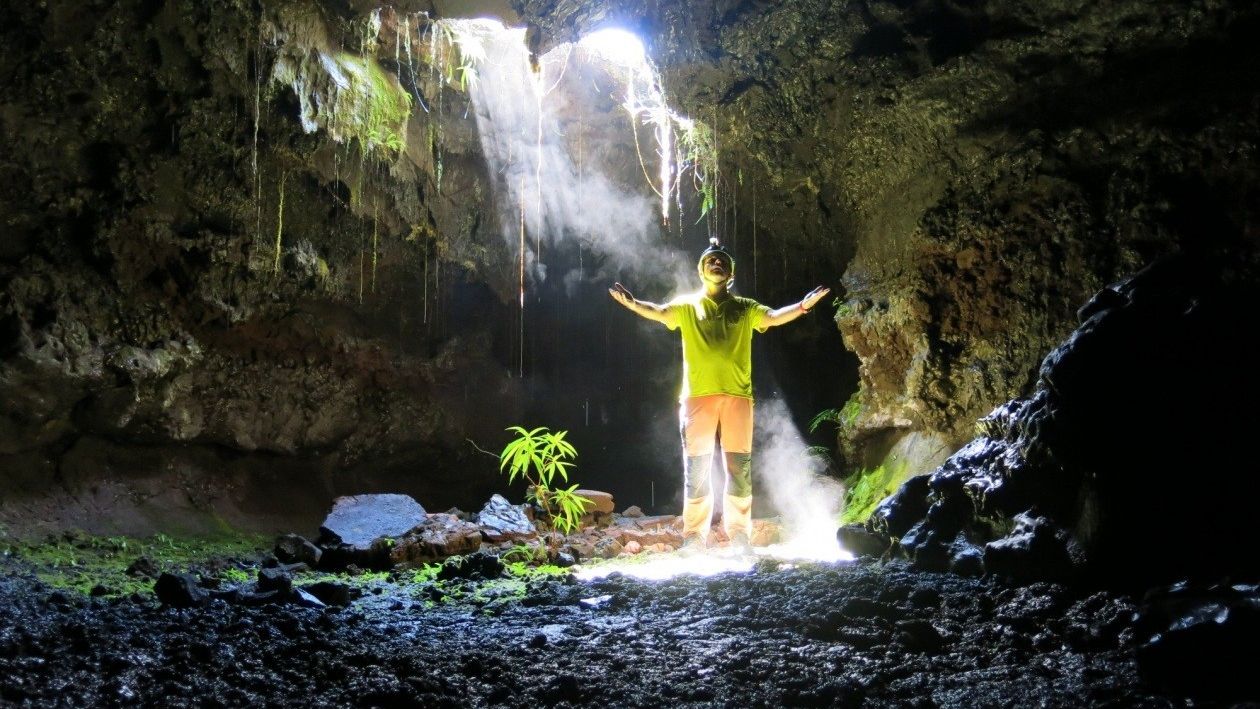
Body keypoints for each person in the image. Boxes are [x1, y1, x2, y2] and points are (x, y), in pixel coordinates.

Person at [608, 239, 830, 551]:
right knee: (697, 468)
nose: (716, 264)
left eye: (722, 261)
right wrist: (633, 304)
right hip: (697, 398)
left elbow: (775, 317)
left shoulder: (746, 308)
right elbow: (658, 312)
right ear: (701, 271)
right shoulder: (687, 307)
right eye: (711, 260)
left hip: (738, 398)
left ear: (731, 274)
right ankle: (694, 537)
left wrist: (803, 306)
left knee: (739, 467)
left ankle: (739, 534)